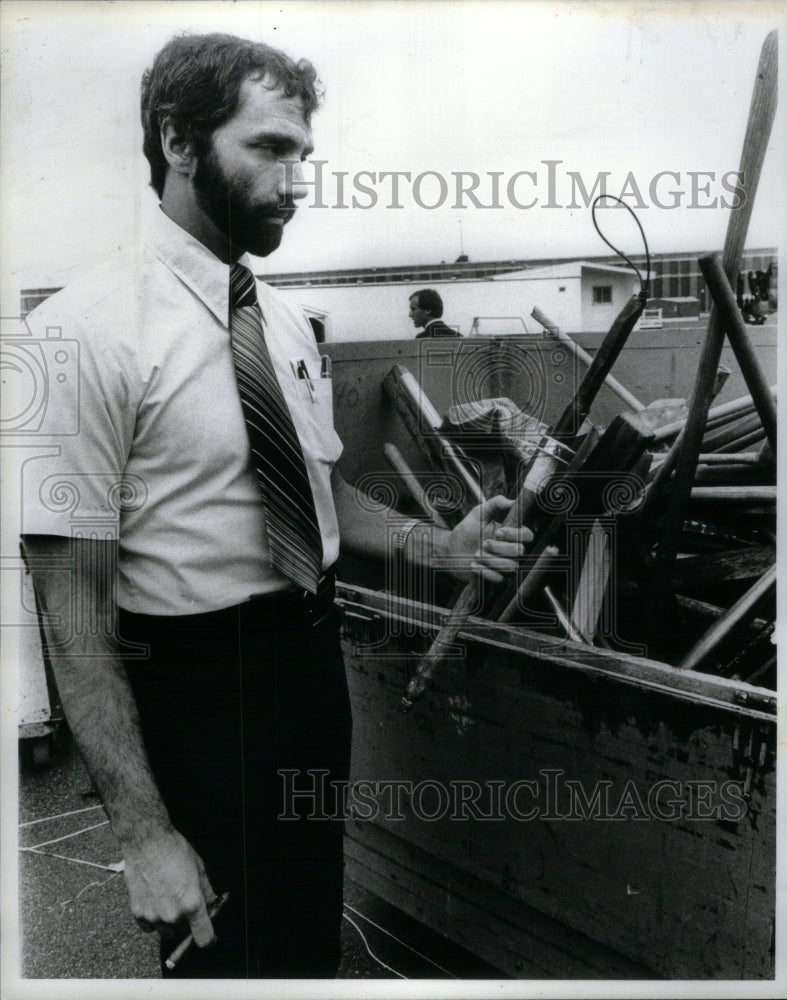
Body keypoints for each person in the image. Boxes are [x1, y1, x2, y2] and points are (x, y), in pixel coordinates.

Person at [20, 33, 531, 979]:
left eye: (304, 155)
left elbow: (313, 488)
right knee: (225, 959)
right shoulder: (79, 334)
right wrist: (142, 833)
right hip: (193, 689)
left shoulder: (285, 321)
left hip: (308, 662)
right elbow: (70, 611)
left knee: (304, 936)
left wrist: (439, 547)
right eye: (269, 149)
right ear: (178, 141)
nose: (297, 182)